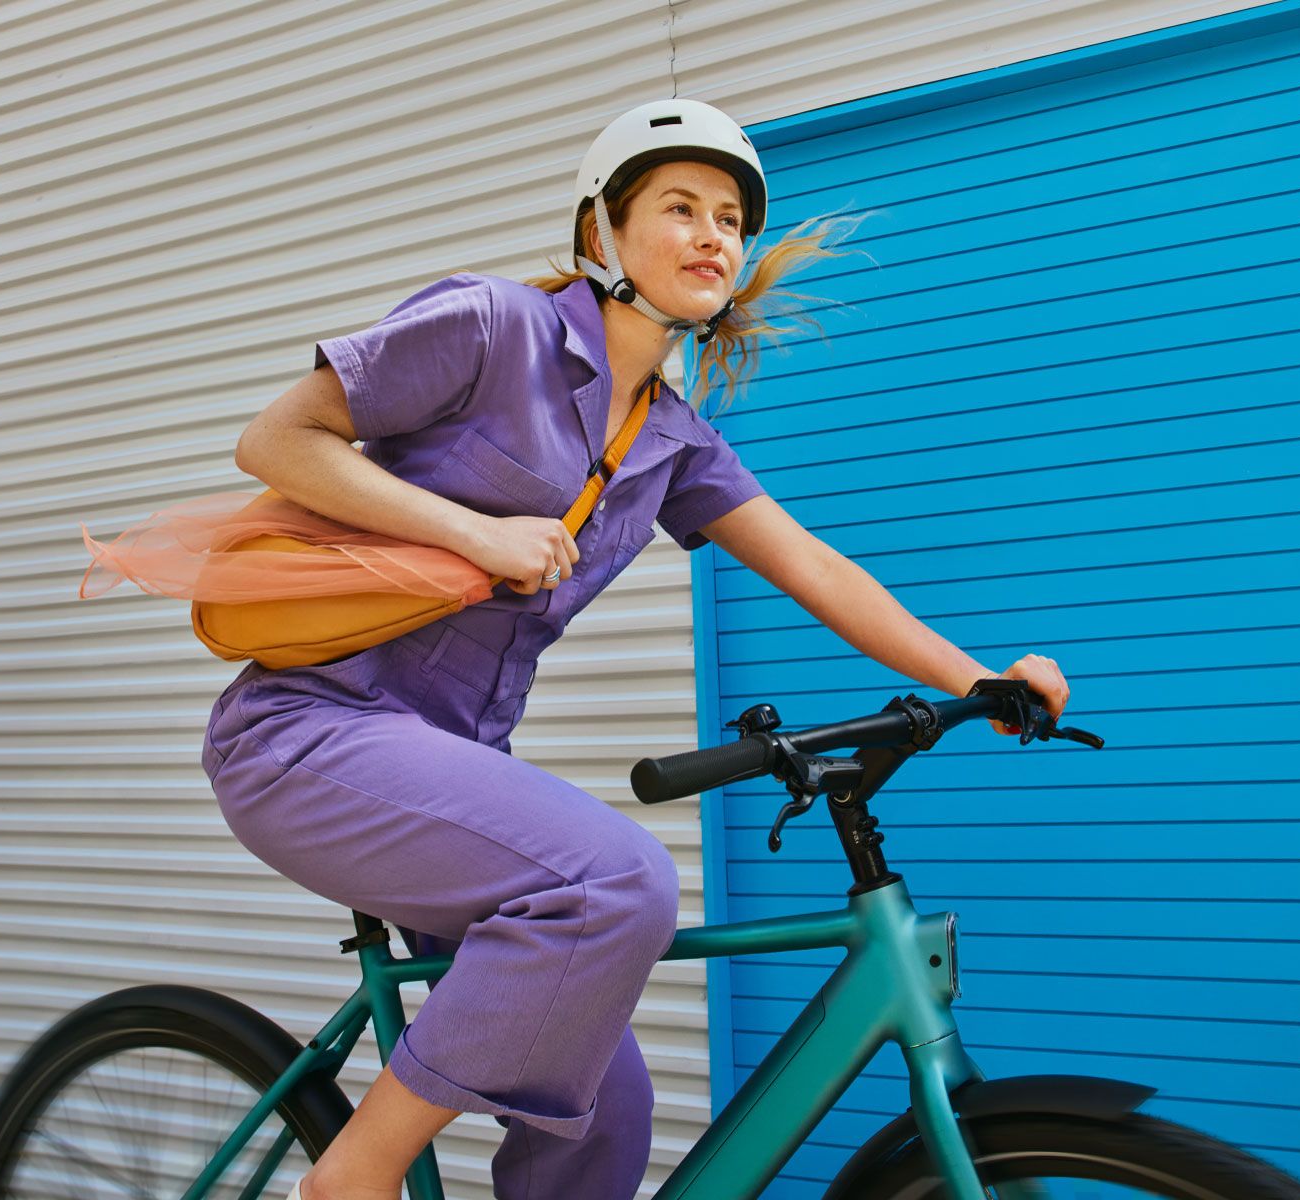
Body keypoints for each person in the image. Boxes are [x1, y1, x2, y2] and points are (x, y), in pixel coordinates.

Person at [204, 98, 1071, 1200]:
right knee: (613, 881)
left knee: (604, 1116)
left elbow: (817, 569)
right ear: (600, 231)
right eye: (680, 207)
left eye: (730, 218)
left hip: (454, 775)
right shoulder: (490, 324)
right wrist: (471, 531)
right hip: (307, 734)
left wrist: (980, 683)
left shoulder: (671, 438)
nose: (716, 235)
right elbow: (274, 440)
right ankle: (351, 1179)